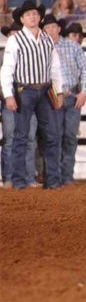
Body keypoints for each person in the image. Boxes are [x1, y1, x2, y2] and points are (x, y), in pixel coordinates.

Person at [0, 1, 64, 190]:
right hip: (24, 90)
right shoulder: (15, 39)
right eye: (28, 15)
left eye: (35, 14)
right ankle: (19, 181)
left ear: (39, 17)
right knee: (21, 136)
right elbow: (7, 69)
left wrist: (59, 91)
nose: (33, 17)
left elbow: (55, 68)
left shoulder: (47, 38)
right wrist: (8, 94)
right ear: (22, 19)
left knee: (51, 136)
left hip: (45, 90)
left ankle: (52, 181)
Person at [40, 15, 86, 187]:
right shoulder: (41, 48)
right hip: (52, 94)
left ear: (59, 29)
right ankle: (53, 176)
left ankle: (67, 176)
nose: (50, 30)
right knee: (54, 137)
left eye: (53, 27)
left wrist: (84, 92)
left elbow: (85, 70)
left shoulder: (73, 45)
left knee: (69, 137)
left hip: (72, 94)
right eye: (47, 28)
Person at [0, 21, 39, 189]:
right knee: (10, 139)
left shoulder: (32, 53)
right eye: (12, 33)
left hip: (28, 101)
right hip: (9, 101)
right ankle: (9, 177)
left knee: (29, 140)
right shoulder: (2, 55)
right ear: (8, 36)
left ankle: (29, 178)